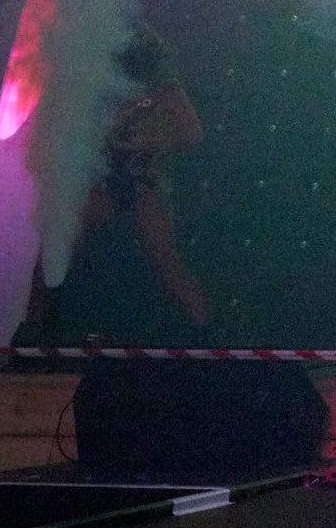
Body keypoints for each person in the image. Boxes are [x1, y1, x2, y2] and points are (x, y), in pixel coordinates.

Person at [25, 27, 212, 337]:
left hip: (143, 183)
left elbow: (193, 134)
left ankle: (206, 336)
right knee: (57, 249)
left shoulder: (165, 88)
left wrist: (155, 140)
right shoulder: (104, 81)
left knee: (166, 261)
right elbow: (79, 127)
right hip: (104, 179)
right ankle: (34, 332)